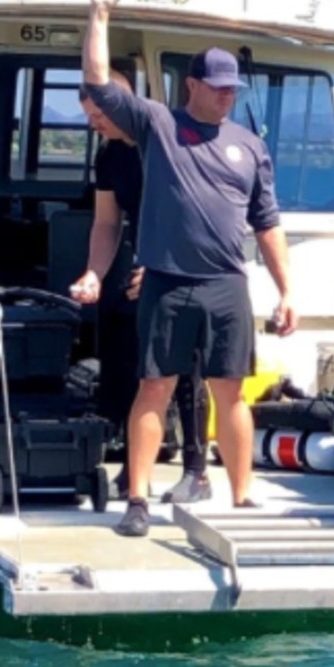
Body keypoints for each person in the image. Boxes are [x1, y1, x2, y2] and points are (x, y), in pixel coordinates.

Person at [76, 0, 296, 537]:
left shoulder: (250, 145)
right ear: (193, 85)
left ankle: (242, 501)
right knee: (156, 386)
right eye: (217, 88)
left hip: (227, 284)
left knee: (230, 392)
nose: (226, 96)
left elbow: (267, 222)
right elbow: (99, 83)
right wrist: (99, 15)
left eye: (232, 89)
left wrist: (287, 291)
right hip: (168, 282)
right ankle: (137, 501)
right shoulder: (157, 125)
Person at [71, 71, 211, 506]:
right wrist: (94, 272)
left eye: (101, 115)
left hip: (188, 260)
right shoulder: (110, 156)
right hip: (143, 258)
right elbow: (107, 222)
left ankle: (196, 471)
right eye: (89, 116)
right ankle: (136, 470)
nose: (96, 123)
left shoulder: (168, 145)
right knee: (134, 361)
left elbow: (196, 212)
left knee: (186, 366)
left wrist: (159, 267)